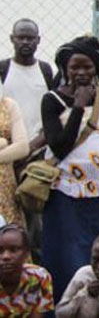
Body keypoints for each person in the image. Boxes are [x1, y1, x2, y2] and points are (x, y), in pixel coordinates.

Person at [41, 36, 99, 302]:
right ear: (65, 69)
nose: (80, 72)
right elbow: (59, 145)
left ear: (97, 69)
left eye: (87, 67)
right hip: (65, 194)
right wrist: (78, 106)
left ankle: (98, 304)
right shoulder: (52, 100)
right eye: (74, 67)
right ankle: (67, 305)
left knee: (98, 252)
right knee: (68, 254)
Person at [1, 18, 56, 263]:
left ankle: (36, 272)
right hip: (8, 156)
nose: (25, 42)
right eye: (20, 37)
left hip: (37, 158)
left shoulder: (45, 70)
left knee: (36, 225)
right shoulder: (4, 69)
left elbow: (50, 115)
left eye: (30, 38)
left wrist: (31, 148)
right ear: (12, 39)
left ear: (38, 41)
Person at [0, 224, 54, 316]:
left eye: (13, 250)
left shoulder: (39, 277)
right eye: (0, 251)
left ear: (26, 253)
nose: (6, 256)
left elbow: (38, 314)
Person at [0, 81, 29, 227]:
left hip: (4, 188)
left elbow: (23, 147)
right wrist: (3, 142)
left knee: (8, 236)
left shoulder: (8, 105)